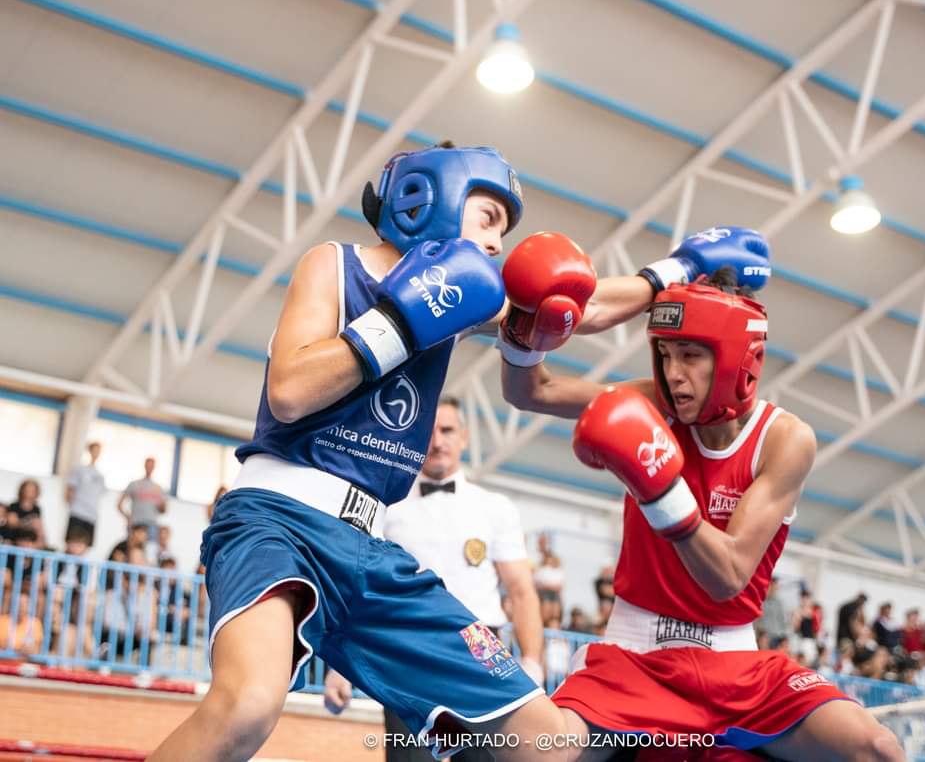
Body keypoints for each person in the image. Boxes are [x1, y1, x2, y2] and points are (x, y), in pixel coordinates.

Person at [147, 142, 742, 761]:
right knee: (247, 706)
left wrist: (676, 269)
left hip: (372, 551)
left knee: (548, 744)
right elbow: (292, 391)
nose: (495, 245)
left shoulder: (468, 302)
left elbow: (577, 308)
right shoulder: (335, 264)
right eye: (488, 219)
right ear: (426, 197)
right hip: (277, 519)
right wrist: (401, 322)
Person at [502, 267, 903, 760]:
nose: (673, 372)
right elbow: (531, 391)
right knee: (537, 752)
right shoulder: (654, 404)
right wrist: (522, 328)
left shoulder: (784, 439)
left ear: (738, 357)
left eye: (690, 355)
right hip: (635, 657)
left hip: (734, 668)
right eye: (666, 354)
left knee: (877, 748)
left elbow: (728, 575)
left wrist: (658, 489)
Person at [323, 396, 546, 759]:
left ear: (465, 437)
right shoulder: (384, 508)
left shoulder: (495, 508)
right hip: (407, 648)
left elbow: (522, 591)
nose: (438, 441)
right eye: (429, 431)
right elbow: (355, 587)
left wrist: (533, 662)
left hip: (482, 646)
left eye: (447, 430)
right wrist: (340, 668)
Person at [118, 458, 167, 555]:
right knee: (131, 551)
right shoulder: (134, 484)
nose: (150, 467)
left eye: (152, 465)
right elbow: (119, 504)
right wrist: (128, 517)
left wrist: (161, 501)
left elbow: (163, 510)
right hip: (136, 523)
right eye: (148, 464)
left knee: (150, 553)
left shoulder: (159, 488)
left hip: (151, 524)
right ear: (144, 465)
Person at [65, 441, 107, 546]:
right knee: (72, 542)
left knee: (86, 545)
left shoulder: (101, 476)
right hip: (78, 512)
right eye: (95, 450)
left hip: (92, 515)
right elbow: (70, 490)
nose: (96, 453)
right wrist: (72, 505)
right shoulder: (79, 469)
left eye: (99, 451)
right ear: (90, 451)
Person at [4, 478, 44, 548]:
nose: (29, 492)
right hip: (13, 541)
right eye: (27, 489)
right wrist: (29, 524)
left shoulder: (37, 509)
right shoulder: (14, 506)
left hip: (29, 543)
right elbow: (12, 523)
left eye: (32, 490)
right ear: (22, 490)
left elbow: (39, 528)